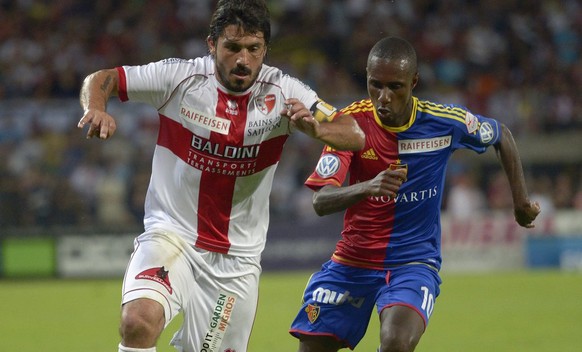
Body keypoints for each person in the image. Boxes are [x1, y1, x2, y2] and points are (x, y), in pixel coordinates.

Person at [77, 1, 365, 351]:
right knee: (138, 322)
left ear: (265, 50)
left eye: (253, 49)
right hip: (172, 236)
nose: (243, 59)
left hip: (236, 261)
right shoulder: (180, 78)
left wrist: (318, 129)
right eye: (232, 47)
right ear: (212, 44)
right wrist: (95, 107)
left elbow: (354, 133)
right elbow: (102, 79)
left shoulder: (285, 91)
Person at [289, 36, 541, 352]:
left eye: (395, 86)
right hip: (352, 261)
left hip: (413, 262)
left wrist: (519, 202)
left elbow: (501, 134)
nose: (384, 97)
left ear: (414, 82)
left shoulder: (444, 122)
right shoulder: (349, 125)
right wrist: (369, 186)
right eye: (375, 85)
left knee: (395, 343)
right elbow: (320, 201)